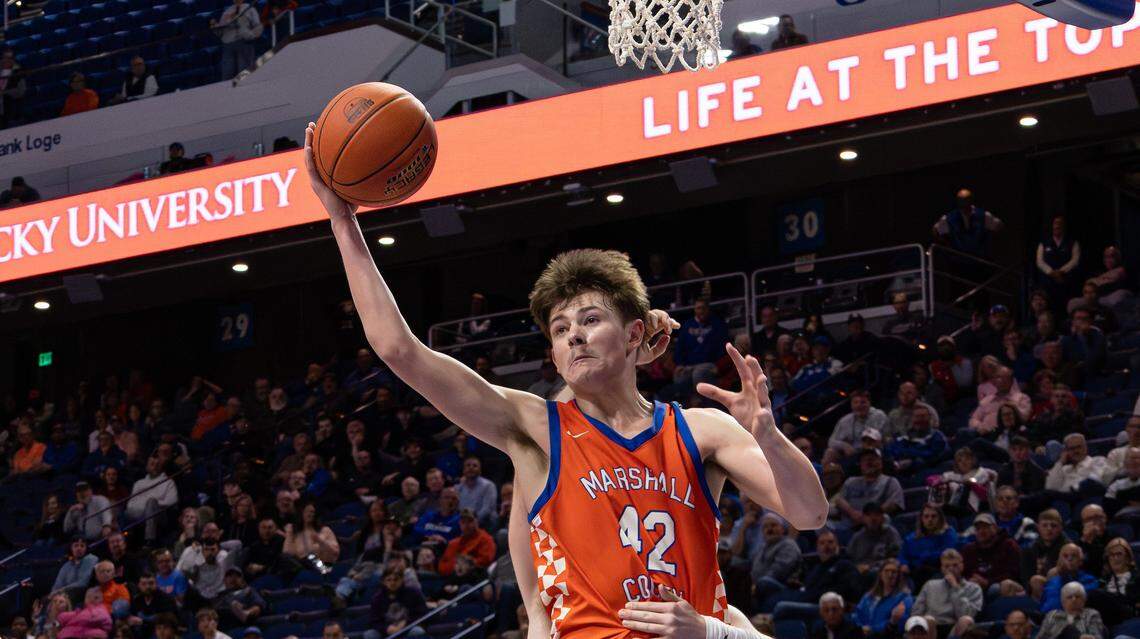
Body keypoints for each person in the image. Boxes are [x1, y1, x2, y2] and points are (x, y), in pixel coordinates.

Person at [308, 117, 826, 636]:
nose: (573, 336)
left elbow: (810, 515)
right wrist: (342, 221)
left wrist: (771, 438)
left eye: (590, 319)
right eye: (560, 329)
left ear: (633, 334)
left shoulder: (703, 431)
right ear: (553, 357)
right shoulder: (534, 428)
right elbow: (399, 348)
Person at [911, 549, 982, 637]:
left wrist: (956, 588)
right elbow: (916, 612)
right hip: (932, 627)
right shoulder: (930, 585)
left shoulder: (974, 588)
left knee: (966, 620)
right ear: (942, 569)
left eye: (955, 565)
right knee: (927, 619)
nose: (951, 569)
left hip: (955, 627)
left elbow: (968, 614)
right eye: (947, 566)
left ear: (962, 566)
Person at [832, 449, 904, 529]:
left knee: (886, 520)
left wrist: (869, 516)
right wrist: (852, 513)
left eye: (872, 459)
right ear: (860, 465)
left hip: (876, 523)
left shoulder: (891, 481)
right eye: (865, 460)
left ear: (881, 463)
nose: (869, 463)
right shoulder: (850, 481)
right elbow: (839, 500)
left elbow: (894, 503)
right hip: (849, 523)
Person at [673, 297, 731, 395]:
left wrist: (719, 366)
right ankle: (687, 406)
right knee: (679, 378)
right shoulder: (687, 325)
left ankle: (702, 403)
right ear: (694, 310)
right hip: (689, 365)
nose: (701, 311)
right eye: (698, 308)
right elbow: (680, 347)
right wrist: (679, 364)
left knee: (698, 374)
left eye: (703, 308)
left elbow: (723, 347)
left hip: (709, 364)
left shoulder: (717, 324)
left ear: (708, 309)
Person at [932, 188, 1005, 258]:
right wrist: (948, 245)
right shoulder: (949, 218)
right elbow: (936, 230)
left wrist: (988, 241)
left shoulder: (983, 215)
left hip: (981, 258)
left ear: (971, 200)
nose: (964, 203)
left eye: (966, 200)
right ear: (957, 201)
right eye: (961, 200)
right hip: (958, 259)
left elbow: (999, 226)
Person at [961, 513, 1021, 596]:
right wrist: (970, 580)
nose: (981, 531)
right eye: (978, 528)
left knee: (997, 587)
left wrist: (988, 582)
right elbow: (964, 572)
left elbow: (1013, 573)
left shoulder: (1009, 545)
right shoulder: (969, 549)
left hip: (1001, 585)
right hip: (975, 586)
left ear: (995, 528)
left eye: (985, 527)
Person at [899, 505, 959, 586]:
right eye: (926, 516)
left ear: (940, 518)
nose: (930, 519)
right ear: (921, 519)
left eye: (933, 516)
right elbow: (902, 554)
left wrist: (923, 557)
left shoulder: (948, 533)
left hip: (938, 570)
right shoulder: (912, 537)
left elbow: (947, 554)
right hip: (915, 571)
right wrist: (904, 564)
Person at [125, 455, 178, 542]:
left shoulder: (168, 482)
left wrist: (153, 503)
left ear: (161, 467)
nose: (155, 467)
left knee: (151, 503)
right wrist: (144, 506)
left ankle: (150, 540)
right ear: (147, 466)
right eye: (152, 464)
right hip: (138, 513)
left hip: (160, 514)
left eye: (157, 464)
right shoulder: (139, 483)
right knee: (122, 513)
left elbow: (172, 500)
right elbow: (130, 503)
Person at [853, 559, 912, 637]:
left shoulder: (904, 597)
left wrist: (872, 629)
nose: (890, 575)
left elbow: (900, 622)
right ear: (880, 574)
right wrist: (861, 628)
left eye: (894, 572)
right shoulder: (868, 596)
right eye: (886, 571)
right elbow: (857, 614)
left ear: (899, 575)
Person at [1036, 216, 1081, 314]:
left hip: (1066, 281)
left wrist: (1061, 271)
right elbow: (1040, 262)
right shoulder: (1044, 243)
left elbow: (1075, 260)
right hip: (1048, 282)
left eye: (1060, 223)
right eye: (1055, 223)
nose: (1057, 226)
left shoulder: (1072, 242)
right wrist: (1051, 272)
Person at [367, 568, 428, 639]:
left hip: (408, 627)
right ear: (383, 582)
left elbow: (421, 614)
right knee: (370, 634)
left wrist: (405, 623)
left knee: (417, 631)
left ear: (402, 580)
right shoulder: (377, 598)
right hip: (387, 630)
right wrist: (386, 628)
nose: (392, 583)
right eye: (389, 580)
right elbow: (373, 620)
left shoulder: (413, 593)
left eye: (396, 579)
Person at [828, 391, 889, 461]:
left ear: (869, 403)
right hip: (852, 453)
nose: (859, 405)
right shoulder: (845, 420)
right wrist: (844, 446)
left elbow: (887, 438)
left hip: (874, 451)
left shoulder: (879, 416)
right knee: (830, 452)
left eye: (863, 402)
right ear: (851, 404)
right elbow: (831, 441)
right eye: (855, 402)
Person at [212, 0, 263, 80]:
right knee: (227, 73)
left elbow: (258, 25)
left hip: (244, 43)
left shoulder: (249, 8)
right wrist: (215, 27)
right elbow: (221, 30)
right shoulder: (227, 11)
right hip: (228, 44)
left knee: (244, 73)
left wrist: (250, 36)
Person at [1039, 544, 1098, 612]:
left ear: (1080, 561)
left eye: (1074, 556)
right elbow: (1043, 606)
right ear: (1060, 560)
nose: (1069, 559)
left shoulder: (1090, 580)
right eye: (1065, 556)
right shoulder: (1052, 582)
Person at [1037, 581, 1106, 639]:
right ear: (1063, 602)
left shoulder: (1091, 614)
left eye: (1077, 596)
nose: (1074, 599)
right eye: (1069, 597)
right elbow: (1040, 637)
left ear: (1084, 600)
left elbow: (1097, 636)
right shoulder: (1052, 615)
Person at [1020, 509, 1070, 589]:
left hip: (1064, 587)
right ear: (1038, 527)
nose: (1049, 529)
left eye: (1053, 525)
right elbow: (1026, 579)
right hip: (1035, 588)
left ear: (1061, 528)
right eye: (1044, 525)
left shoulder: (1069, 548)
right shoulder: (1029, 549)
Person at [848, 503, 903, 574]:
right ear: (863, 518)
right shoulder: (857, 538)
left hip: (884, 571)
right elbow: (849, 559)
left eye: (877, 515)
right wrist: (857, 567)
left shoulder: (891, 533)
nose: (873, 518)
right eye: (869, 515)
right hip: (862, 573)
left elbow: (898, 556)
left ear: (883, 517)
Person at [438, 509, 495, 575]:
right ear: (460, 524)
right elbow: (442, 566)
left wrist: (468, 563)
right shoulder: (454, 543)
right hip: (452, 577)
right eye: (463, 522)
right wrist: (455, 566)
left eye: (470, 521)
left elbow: (486, 560)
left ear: (477, 522)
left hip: (475, 578)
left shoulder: (486, 539)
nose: (466, 525)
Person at [282, 500, 340, 566]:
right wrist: (289, 533)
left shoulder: (325, 530)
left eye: (312, 512)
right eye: (306, 511)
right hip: (303, 569)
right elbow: (286, 554)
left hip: (324, 567)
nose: (308, 514)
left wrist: (320, 541)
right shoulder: (296, 534)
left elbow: (335, 553)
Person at [455, 456, 496, 526]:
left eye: (475, 466)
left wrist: (472, 523)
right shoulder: (458, 488)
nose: (471, 467)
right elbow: (456, 509)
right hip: (462, 524)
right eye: (468, 465)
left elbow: (487, 510)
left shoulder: (488, 485)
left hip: (485, 523)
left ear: (480, 471)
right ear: (463, 470)